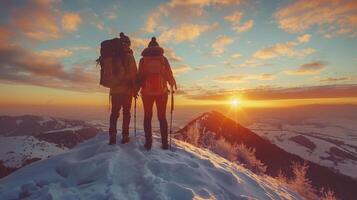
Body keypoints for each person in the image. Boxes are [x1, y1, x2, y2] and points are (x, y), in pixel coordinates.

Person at [137, 37, 177, 150]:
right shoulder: (163, 59)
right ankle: (164, 143)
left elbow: (140, 77)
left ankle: (148, 142)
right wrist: (172, 84)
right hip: (162, 93)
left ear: (148, 47)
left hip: (146, 93)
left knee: (147, 117)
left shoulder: (143, 60)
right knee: (162, 117)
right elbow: (169, 74)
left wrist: (135, 90)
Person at [108, 32, 137, 145]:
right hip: (127, 91)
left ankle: (112, 136)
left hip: (115, 90)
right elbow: (134, 74)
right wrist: (135, 89)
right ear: (128, 44)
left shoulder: (112, 57)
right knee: (126, 113)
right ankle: (125, 136)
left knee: (114, 113)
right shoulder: (129, 57)